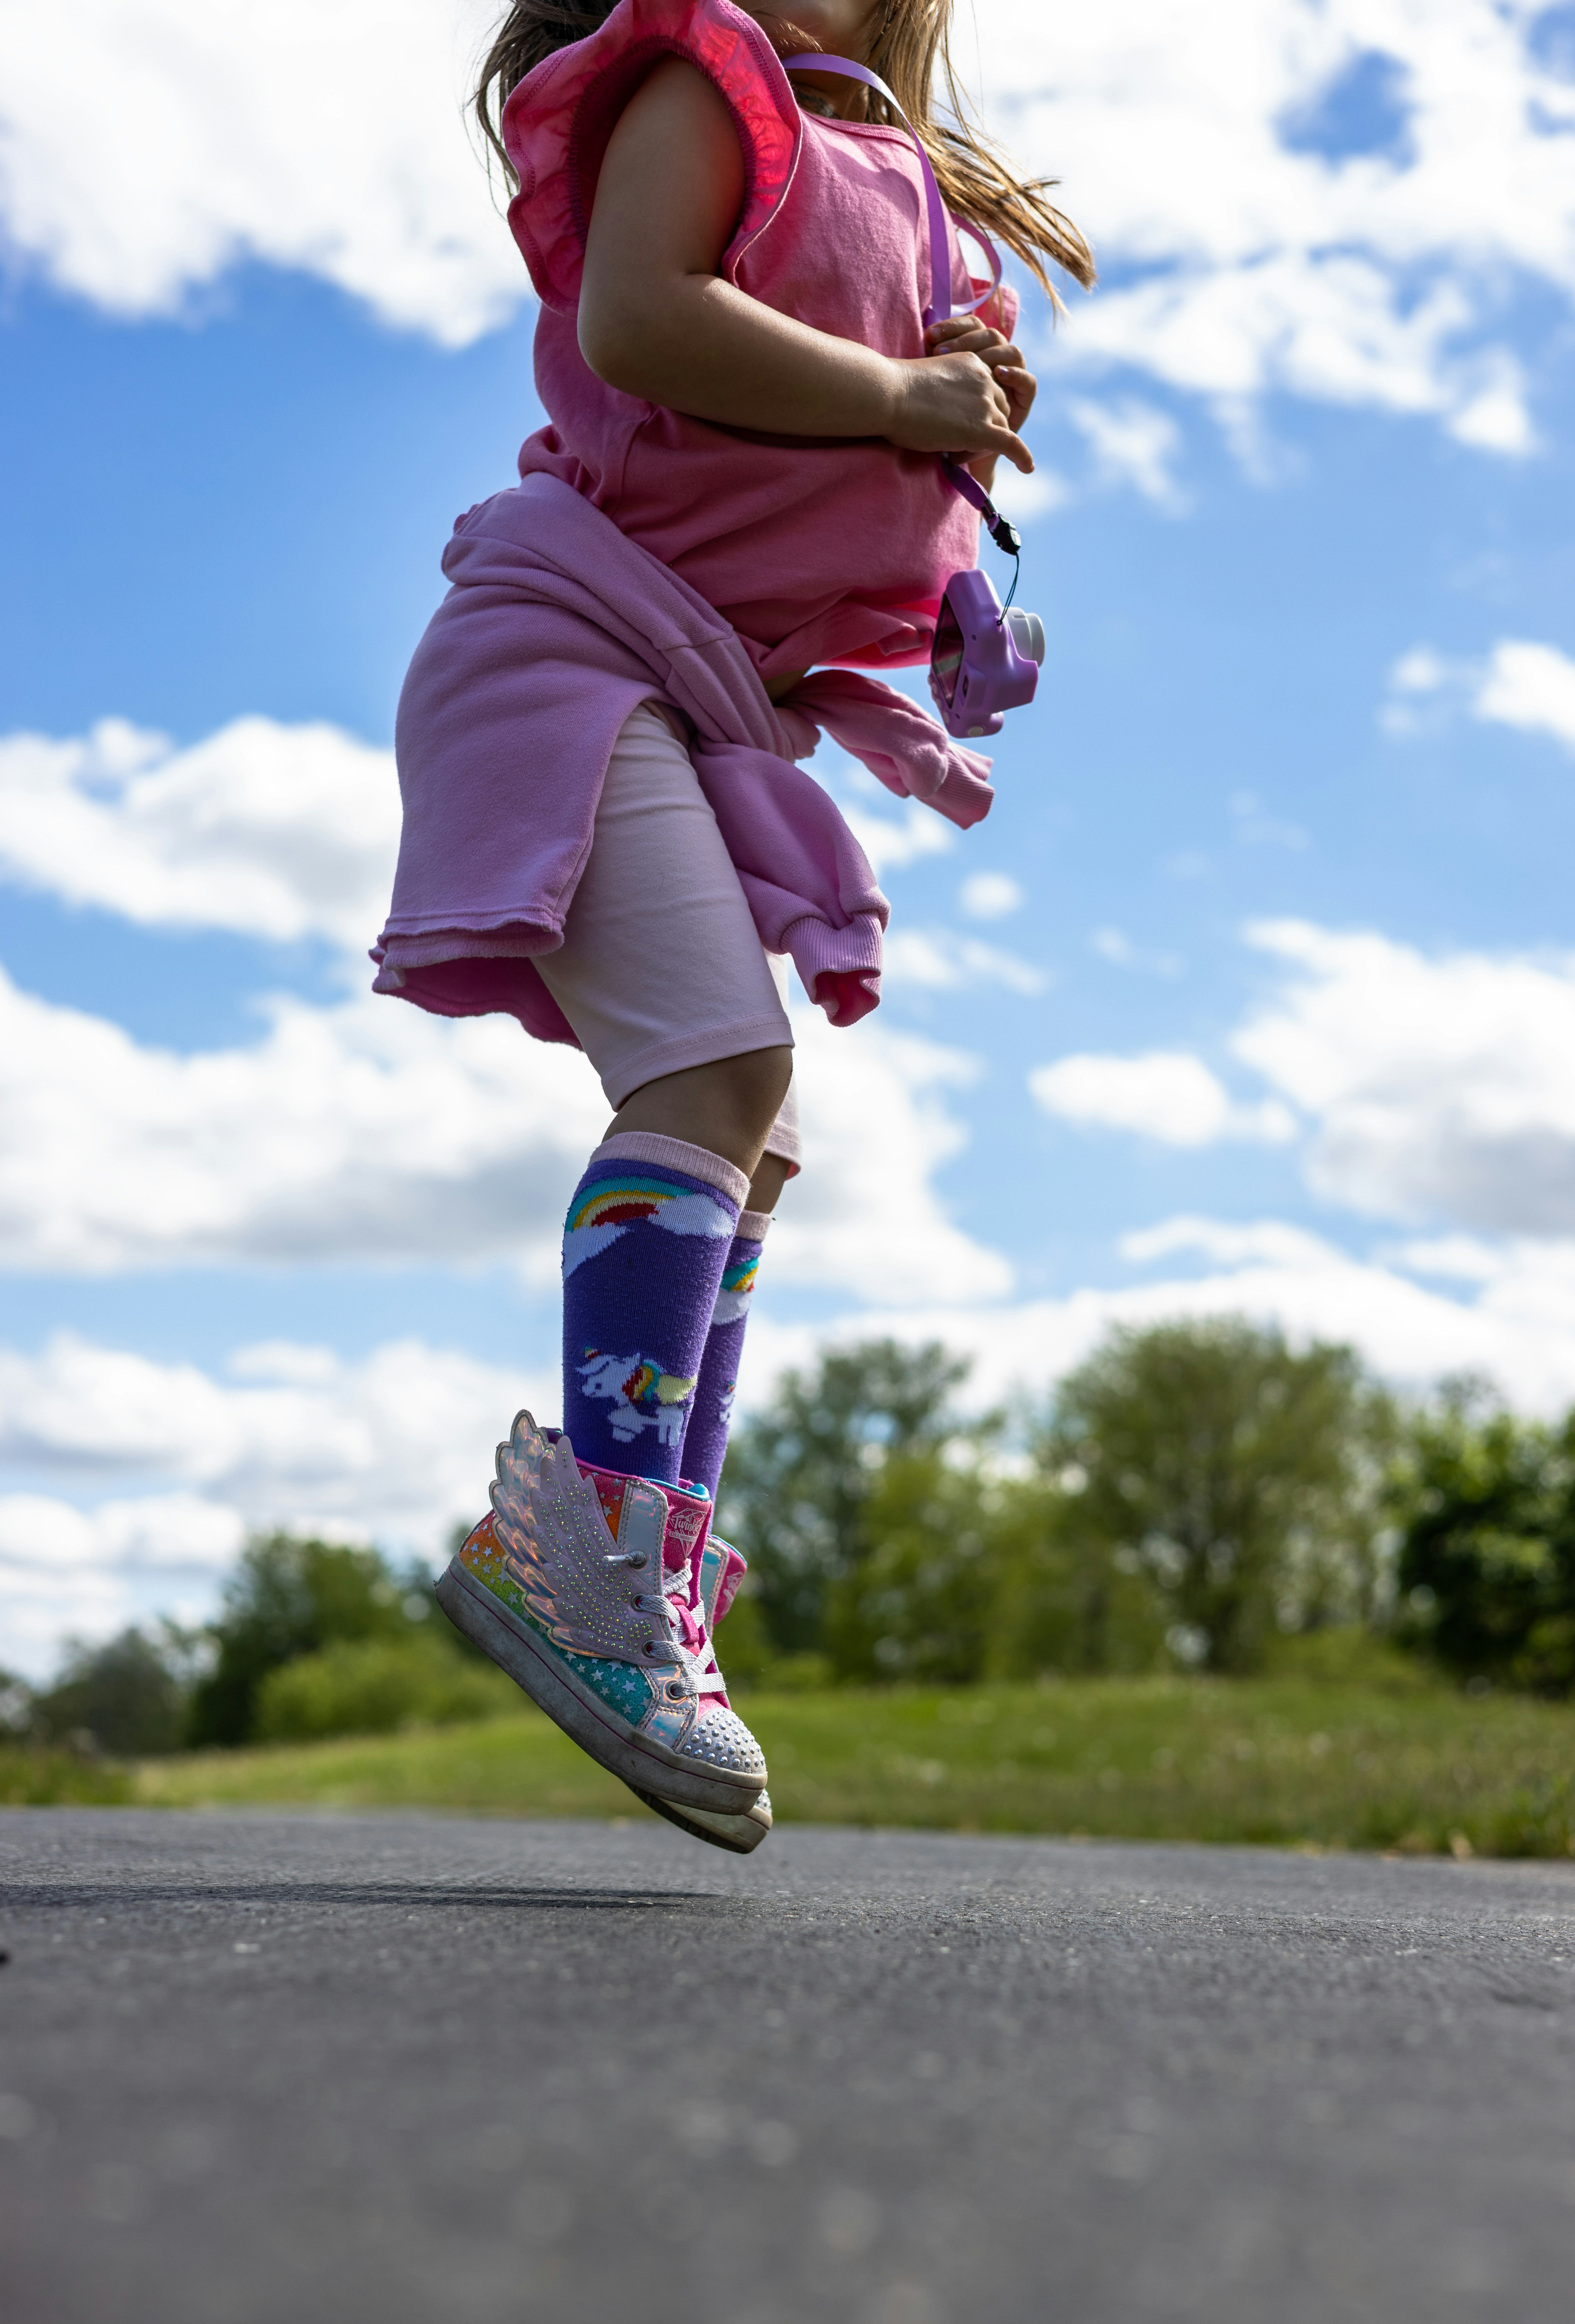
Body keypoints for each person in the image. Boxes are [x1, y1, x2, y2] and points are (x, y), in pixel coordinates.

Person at [371, 0, 1093, 1848]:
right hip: (565, 659)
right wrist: (899, 401)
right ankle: (599, 1572)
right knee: (717, 1065)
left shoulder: (882, 169)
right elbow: (639, 321)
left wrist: (948, 416)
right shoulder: (709, 81)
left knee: (753, 1133)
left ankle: (648, 1572)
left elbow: (838, 415)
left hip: (687, 693)